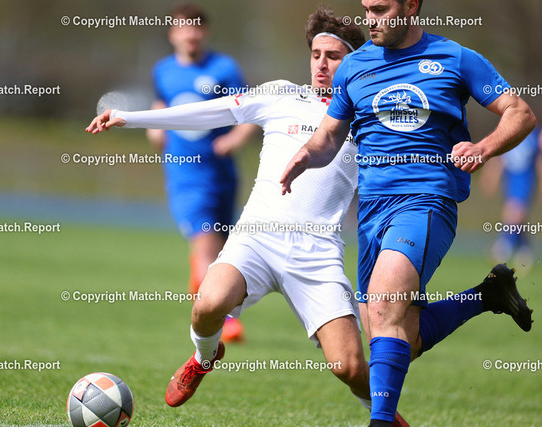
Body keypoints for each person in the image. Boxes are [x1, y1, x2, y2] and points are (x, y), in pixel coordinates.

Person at [87, 5, 530, 425]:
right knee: (207, 303)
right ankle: (204, 358)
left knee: (353, 364)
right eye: (316, 54)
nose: (321, 64)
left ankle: (387, 412)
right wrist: (130, 117)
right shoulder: (280, 95)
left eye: (333, 56)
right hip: (255, 240)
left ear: (353, 61)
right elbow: (213, 112)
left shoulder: (365, 112)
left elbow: (415, 131)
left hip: (317, 254)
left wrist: (464, 154)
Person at [280, 0, 536, 425]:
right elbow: (328, 136)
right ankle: (486, 296)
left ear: (412, 5)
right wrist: (305, 155)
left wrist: (484, 148)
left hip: (426, 201)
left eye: (381, 9)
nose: (370, 19)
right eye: (367, 8)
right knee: (399, 335)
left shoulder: (455, 58)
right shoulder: (353, 67)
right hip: (371, 212)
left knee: (384, 307)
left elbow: (520, 113)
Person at [147, 3, 257, 342]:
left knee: (221, 249)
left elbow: (249, 113)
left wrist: (234, 139)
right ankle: (222, 321)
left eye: (196, 27)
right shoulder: (163, 71)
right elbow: (159, 107)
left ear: (205, 31)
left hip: (220, 175)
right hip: (185, 176)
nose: (190, 34)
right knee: (206, 244)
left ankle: (204, 292)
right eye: (183, 28)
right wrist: (154, 131)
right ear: (172, 34)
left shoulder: (224, 69)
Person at [480, 125, 541, 273]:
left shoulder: (535, 134)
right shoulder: (508, 130)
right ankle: (524, 249)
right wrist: (491, 177)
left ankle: (504, 244)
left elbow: (539, 160)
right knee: (514, 214)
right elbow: (498, 157)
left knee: (515, 213)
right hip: (510, 179)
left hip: (526, 179)